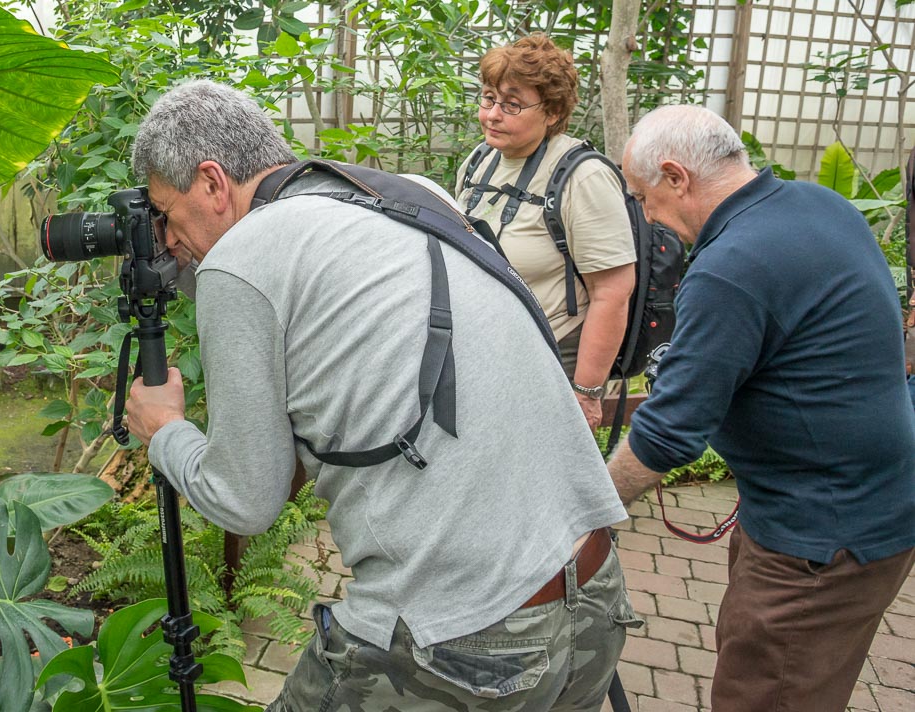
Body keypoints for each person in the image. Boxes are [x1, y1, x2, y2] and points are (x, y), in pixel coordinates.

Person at [123, 79, 640, 711]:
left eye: (169, 217)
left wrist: (165, 429)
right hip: (594, 593)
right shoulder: (402, 193)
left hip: (462, 641)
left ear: (211, 182)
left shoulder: (242, 258)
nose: (170, 244)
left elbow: (246, 501)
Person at [606, 105, 915, 712]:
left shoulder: (732, 267)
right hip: (846, 500)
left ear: (676, 177)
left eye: (642, 197)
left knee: (768, 693)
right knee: (770, 667)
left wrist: (584, 514)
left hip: (822, 534)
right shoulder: (817, 205)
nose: (646, 215)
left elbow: (667, 436)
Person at [456, 33, 636, 431]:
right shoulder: (480, 161)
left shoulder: (583, 178)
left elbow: (613, 291)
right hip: (487, 355)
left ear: (552, 112)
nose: (492, 115)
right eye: (488, 98)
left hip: (550, 362)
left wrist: (587, 394)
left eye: (512, 104)